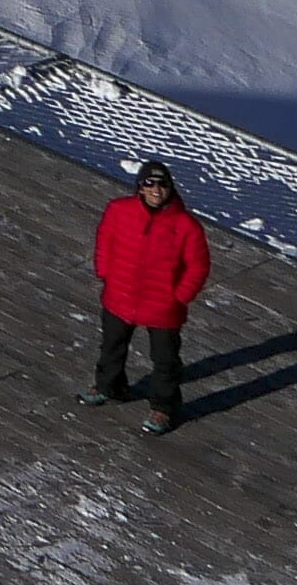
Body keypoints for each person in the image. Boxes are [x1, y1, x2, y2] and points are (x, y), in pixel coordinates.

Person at [87, 159, 211, 435]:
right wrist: (105, 272)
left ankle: (164, 408)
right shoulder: (118, 210)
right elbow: (105, 239)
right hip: (120, 296)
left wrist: (180, 296)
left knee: (165, 361)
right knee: (111, 347)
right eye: (150, 183)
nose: (156, 190)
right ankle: (109, 387)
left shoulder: (187, 226)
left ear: (171, 188)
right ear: (140, 187)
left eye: (162, 184)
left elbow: (199, 266)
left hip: (163, 307)